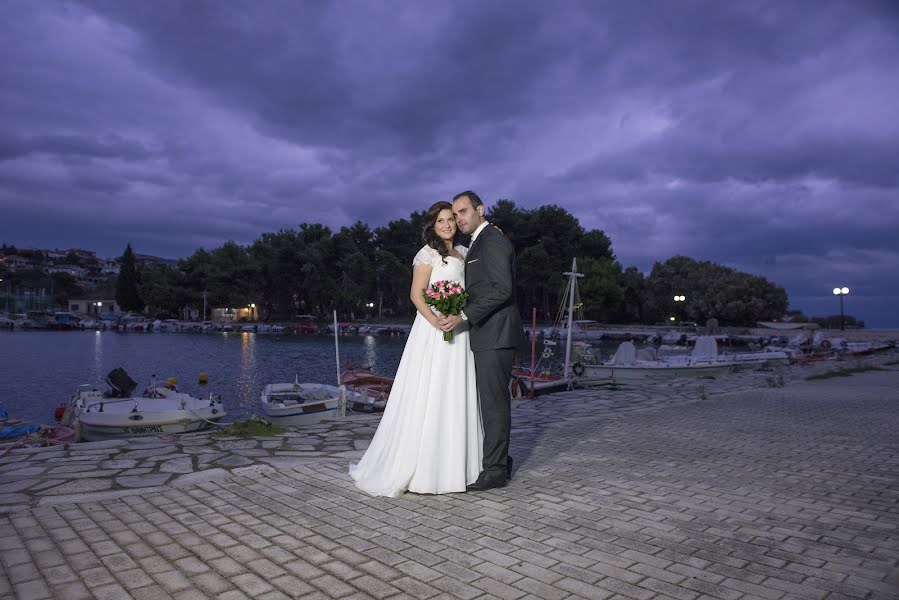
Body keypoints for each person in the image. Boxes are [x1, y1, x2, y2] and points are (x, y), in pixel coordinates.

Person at [349, 201, 483, 497]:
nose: (447, 225)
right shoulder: (426, 254)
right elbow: (416, 294)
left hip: (458, 330)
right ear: (432, 226)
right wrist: (437, 320)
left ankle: (458, 466)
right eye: (441, 221)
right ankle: (424, 467)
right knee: (429, 389)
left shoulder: (463, 253)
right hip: (433, 329)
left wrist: (456, 315)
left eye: (450, 219)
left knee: (455, 390)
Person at [440, 191, 524, 491]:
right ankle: (498, 460)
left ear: (480, 209)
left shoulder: (494, 240)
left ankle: (496, 470)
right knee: (488, 402)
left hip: (496, 333)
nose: (459, 218)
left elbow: (502, 289)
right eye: (456, 214)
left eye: (463, 212)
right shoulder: (481, 240)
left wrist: (464, 314)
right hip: (487, 333)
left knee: (494, 404)